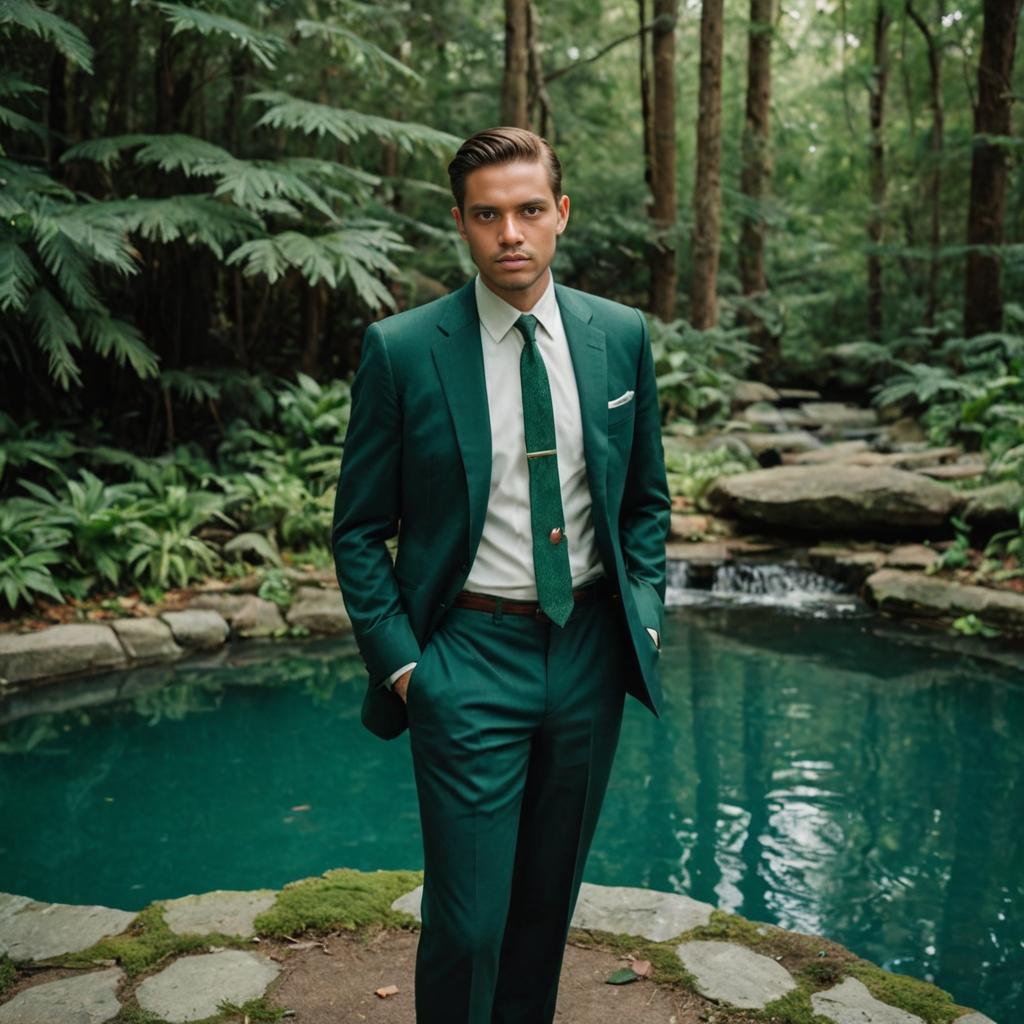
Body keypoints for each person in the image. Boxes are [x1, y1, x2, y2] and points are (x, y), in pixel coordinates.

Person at [331, 126, 670, 1024]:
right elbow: (360, 530)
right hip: (465, 659)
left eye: (528, 211)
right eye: (488, 216)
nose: (510, 233)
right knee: (469, 922)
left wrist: (646, 614)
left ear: (560, 214)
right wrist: (408, 670)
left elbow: (645, 501)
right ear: (462, 225)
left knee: (542, 917)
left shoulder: (621, 335)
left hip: (589, 649)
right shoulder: (403, 350)